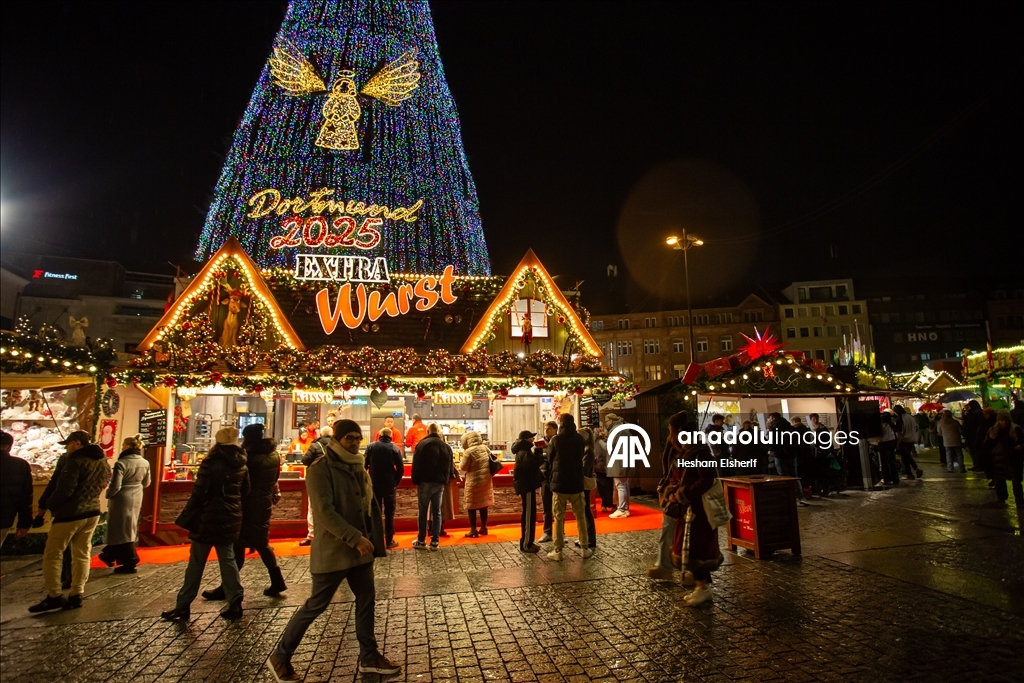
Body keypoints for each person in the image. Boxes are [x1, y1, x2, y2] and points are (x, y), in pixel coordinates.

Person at [267, 419, 399, 680]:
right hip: (335, 549)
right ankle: (280, 656)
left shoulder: (358, 465)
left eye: (357, 438)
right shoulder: (320, 468)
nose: (354, 442)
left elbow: (366, 505)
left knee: (366, 601)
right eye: (349, 438)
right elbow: (324, 512)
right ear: (337, 439)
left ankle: (369, 657)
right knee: (316, 604)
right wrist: (354, 537)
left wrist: (373, 538)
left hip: (361, 549)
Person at [161, 427, 249, 622]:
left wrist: (188, 512)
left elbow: (199, 492)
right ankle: (235, 602)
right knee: (228, 560)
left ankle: (183, 605)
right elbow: (246, 490)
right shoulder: (241, 463)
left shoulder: (211, 463)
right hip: (230, 517)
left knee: (196, 562)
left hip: (207, 518)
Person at [28, 430, 110, 613]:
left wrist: (48, 505)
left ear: (78, 443)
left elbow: (64, 489)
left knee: (53, 553)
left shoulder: (75, 462)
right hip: (93, 511)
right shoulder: (101, 460)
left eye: (69, 444)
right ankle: (77, 593)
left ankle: (54, 595)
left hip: (70, 514)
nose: (67, 448)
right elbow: (105, 481)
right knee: (82, 553)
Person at [202, 423, 286, 601]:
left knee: (238, 544)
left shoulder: (247, 456)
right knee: (261, 542)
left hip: (247, 504)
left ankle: (228, 587)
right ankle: (276, 580)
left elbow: (240, 481)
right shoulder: (273, 454)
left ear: (247, 437)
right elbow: (274, 479)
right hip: (263, 504)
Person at [672, 424, 724, 606]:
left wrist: (686, 493)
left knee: (697, 548)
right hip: (689, 508)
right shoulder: (688, 454)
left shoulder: (702, 454)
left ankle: (703, 587)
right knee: (689, 547)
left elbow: (706, 479)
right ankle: (701, 586)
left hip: (699, 510)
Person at [648, 411, 696, 585]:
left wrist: (677, 491)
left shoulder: (690, 452)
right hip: (675, 497)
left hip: (685, 498)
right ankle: (666, 567)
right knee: (670, 531)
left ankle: (690, 572)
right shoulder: (675, 447)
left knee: (688, 534)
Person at [98, 435, 152, 573]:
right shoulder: (145, 462)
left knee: (119, 528)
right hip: (137, 495)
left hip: (121, 498)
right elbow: (147, 483)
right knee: (129, 526)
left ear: (127, 446)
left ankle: (125, 558)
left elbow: (115, 486)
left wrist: (108, 494)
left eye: (123, 444)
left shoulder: (121, 463)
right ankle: (110, 554)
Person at [546, 414, 592, 561]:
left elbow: (549, 458)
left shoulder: (556, 440)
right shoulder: (579, 439)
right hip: (576, 483)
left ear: (560, 424)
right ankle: (585, 547)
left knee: (559, 517)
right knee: (581, 516)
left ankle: (558, 550)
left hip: (559, 484)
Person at [410, 423, 452, 550]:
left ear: (427, 431)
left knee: (422, 512)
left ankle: (421, 540)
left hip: (425, 482)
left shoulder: (422, 444)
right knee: (437, 512)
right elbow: (450, 466)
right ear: (438, 431)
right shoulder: (446, 446)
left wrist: (415, 480)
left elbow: (416, 464)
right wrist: (446, 480)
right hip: (439, 483)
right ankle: (435, 542)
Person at [364, 426, 404, 549]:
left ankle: (375, 539)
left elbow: (364, 465)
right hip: (389, 485)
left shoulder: (371, 447)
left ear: (380, 435)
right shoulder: (395, 448)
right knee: (389, 513)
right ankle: (389, 540)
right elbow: (400, 469)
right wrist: (395, 481)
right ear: (391, 436)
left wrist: (366, 481)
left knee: (375, 513)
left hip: (374, 484)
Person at [299, 425, 333, 546]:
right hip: (333, 480)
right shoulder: (337, 445)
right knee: (332, 507)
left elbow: (305, 460)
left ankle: (312, 536)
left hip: (317, 479)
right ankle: (331, 535)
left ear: (321, 434)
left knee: (312, 508)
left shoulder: (315, 445)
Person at [984, 410, 1024, 507]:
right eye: (1002, 420)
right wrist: (990, 438)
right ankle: (1001, 499)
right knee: (1000, 481)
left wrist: (1021, 446)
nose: (1004, 423)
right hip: (999, 459)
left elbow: (1022, 441)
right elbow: (986, 445)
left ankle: (1020, 501)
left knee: (1016, 481)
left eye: (1005, 420)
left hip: (1013, 459)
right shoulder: (994, 430)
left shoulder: (1016, 429)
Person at [1, 430, 33, 548]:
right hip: (5, 519)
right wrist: (24, 523)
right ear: (9, 447)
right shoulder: (21, 465)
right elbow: (26, 498)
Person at [512, 430, 543, 553]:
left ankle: (529, 541)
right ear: (525, 439)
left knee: (529, 514)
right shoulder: (524, 451)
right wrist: (539, 454)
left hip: (527, 485)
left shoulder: (523, 450)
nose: (533, 440)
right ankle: (526, 544)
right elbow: (531, 466)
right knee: (529, 515)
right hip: (527, 485)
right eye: (531, 438)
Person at [460, 430, 494, 537]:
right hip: (486, 480)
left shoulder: (469, 452)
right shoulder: (485, 448)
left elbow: (463, 467)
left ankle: (473, 529)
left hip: (474, 481)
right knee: (483, 505)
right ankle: (484, 527)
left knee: (472, 506)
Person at [766, 413, 807, 504]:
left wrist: (774, 450)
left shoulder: (774, 429)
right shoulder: (791, 428)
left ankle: (787, 498)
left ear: (773, 418)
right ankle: (801, 497)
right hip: (792, 455)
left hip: (780, 456)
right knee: (794, 476)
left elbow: (771, 444)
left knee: (783, 477)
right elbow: (798, 443)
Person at [605, 413, 632, 518]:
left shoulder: (616, 430)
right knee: (624, 484)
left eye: (606, 421)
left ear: (611, 420)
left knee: (620, 485)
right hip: (625, 459)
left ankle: (621, 509)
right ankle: (625, 509)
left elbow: (609, 447)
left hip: (618, 460)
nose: (606, 424)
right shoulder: (623, 427)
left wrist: (600, 442)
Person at [577, 427, 598, 552]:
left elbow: (584, 469)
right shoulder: (586, 449)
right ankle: (585, 537)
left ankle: (590, 538)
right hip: (583, 481)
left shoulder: (588, 451)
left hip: (584, 482)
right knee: (584, 510)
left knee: (585, 511)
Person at [537, 420, 558, 541]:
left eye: (549, 428)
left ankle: (561, 532)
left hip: (556, 477)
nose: (546, 431)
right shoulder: (541, 443)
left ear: (555, 429)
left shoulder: (559, 442)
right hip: (545, 476)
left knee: (559, 506)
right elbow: (538, 458)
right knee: (546, 506)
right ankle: (547, 532)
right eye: (545, 428)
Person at [893, 405, 923, 479]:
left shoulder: (900, 419)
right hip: (911, 439)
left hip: (904, 440)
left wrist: (898, 442)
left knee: (907, 457)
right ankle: (910, 473)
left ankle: (916, 469)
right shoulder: (910, 417)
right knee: (905, 457)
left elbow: (899, 432)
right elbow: (916, 427)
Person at [593, 428, 614, 512]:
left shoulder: (609, 437)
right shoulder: (595, 438)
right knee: (602, 487)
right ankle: (605, 504)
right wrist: (597, 433)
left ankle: (611, 503)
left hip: (609, 464)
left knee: (610, 486)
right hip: (599, 465)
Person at [878, 412, 900, 486]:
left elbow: (881, 436)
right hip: (892, 443)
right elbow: (896, 434)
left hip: (885, 444)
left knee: (885, 462)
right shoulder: (892, 425)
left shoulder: (883, 426)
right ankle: (895, 479)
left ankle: (887, 479)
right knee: (892, 461)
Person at [962, 400, 985, 471]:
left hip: (972, 435)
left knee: (974, 451)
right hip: (976, 435)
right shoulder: (979, 412)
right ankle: (978, 465)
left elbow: (969, 424)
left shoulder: (973, 413)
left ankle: (977, 465)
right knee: (976, 451)